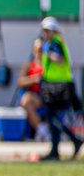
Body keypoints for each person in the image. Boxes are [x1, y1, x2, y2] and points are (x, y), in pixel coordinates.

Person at [35, 16, 82, 160]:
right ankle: (56, 149)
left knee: (53, 117)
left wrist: (45, 52)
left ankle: (72, 140)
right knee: (52, 117)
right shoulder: (49, 44)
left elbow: (59, 59)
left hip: (60, 87)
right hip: (53, 86)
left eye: (47, 31)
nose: (44, 33)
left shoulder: (55, 43)